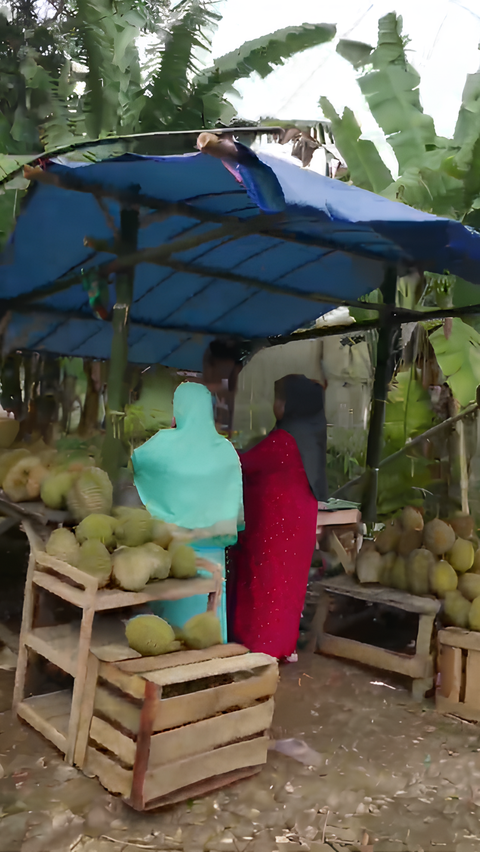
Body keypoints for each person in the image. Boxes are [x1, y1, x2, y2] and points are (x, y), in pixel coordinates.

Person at [132, 382, 243, 642]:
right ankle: (208, 670)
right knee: (208, 618)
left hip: (174, 551)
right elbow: (234, 503)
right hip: (214, 554)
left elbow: (138, 462)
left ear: (177, 410)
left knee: (168, 633)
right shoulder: (226, 451)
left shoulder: (163, 446)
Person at [227, 374, 327, 661]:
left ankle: (263, 647)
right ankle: (282, 645)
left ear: (292, 404)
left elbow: (245, 464)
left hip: (276, 527)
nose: (275, 404)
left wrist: (217, 449)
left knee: (268, 584)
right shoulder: (309, 435)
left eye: (280, 399)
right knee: (286, 587)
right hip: (296, 525)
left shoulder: (285, 440)